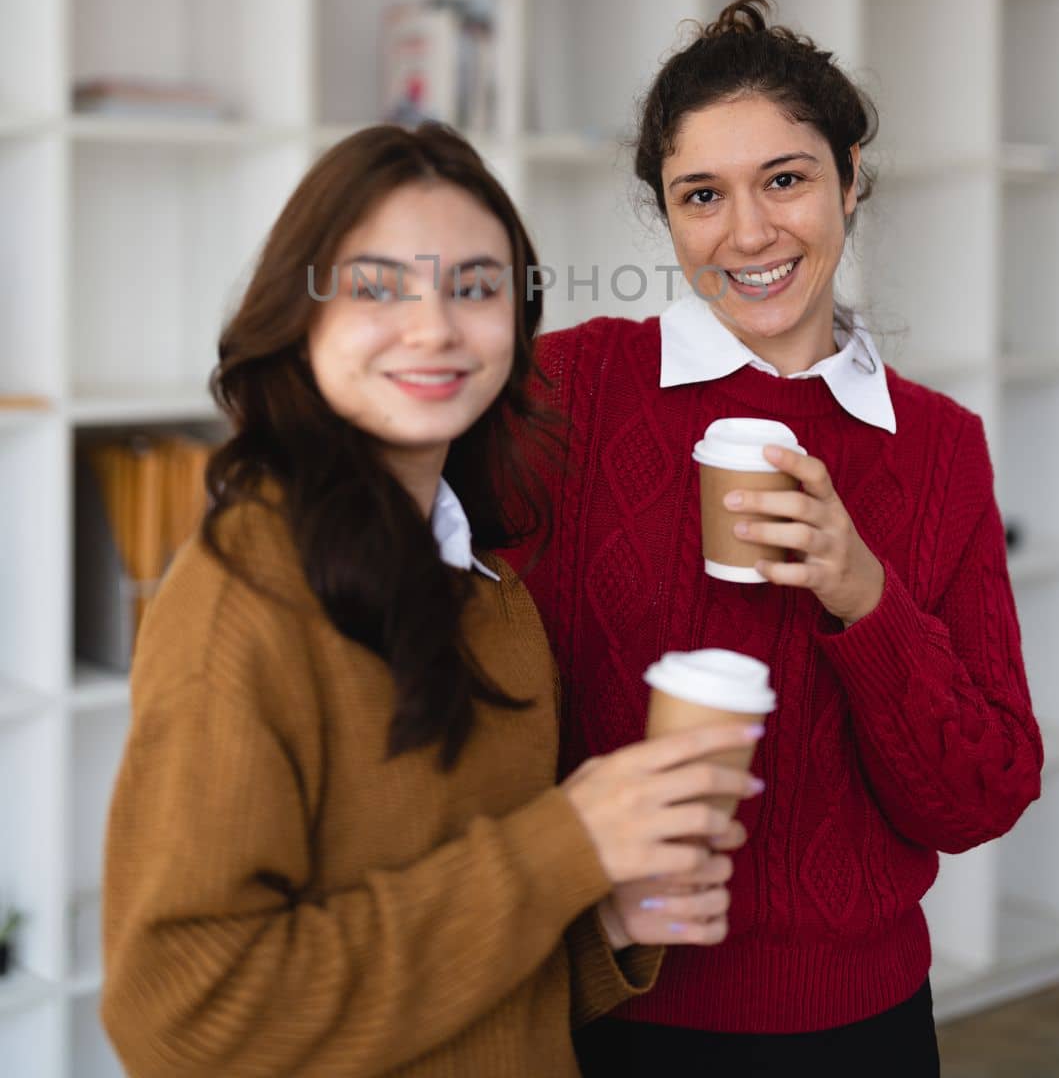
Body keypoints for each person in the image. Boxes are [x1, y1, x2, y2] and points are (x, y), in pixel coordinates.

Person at [99, 123, 763, 1078]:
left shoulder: (491, 595)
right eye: (376, 286)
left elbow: (475, 990)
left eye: (475, 287)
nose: (434, 328)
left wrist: (605, 914)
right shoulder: (241, 602)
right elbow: (186, 1020)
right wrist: (562, 845)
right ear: (301, 316)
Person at [518, 0, 1044, 1077]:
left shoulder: (938, 446)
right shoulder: (567, 390)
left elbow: (982, 793)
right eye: (699, 194)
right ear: (663, 215)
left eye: (785, 178)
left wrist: (863, 593)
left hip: (858, 1029)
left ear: (849, 178)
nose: (747, 232)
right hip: (609, 1008)